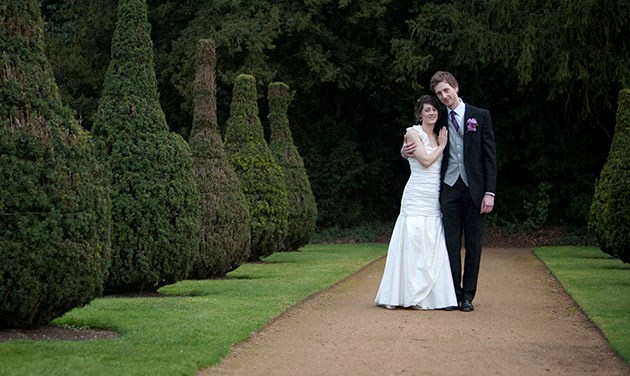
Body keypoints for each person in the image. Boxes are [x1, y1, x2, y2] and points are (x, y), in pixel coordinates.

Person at [403, 71, 497, 312]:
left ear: (456, 87)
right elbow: (419, 138)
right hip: (448, 188)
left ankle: (468, 295)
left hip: (475, 189)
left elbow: (490, 158)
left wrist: (490, 192)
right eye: (439, 93)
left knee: (474, 244)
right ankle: (452, 294)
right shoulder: (438, 117)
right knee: (450, 243)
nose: (443, 96)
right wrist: (405, 151)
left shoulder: (480, 116)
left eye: (446, 90)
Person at [374, 95, 458, 310]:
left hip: (433, 195)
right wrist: (442, 146)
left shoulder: (441, 132)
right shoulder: (413, 132)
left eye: (434, 110)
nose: (431, 113)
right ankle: (407, 293)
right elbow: (427, 161)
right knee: (413, 240)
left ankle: (432, 296)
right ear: (419, 113)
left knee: (431, 240)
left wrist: (441, 143)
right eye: (427, 110)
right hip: (416, 193)